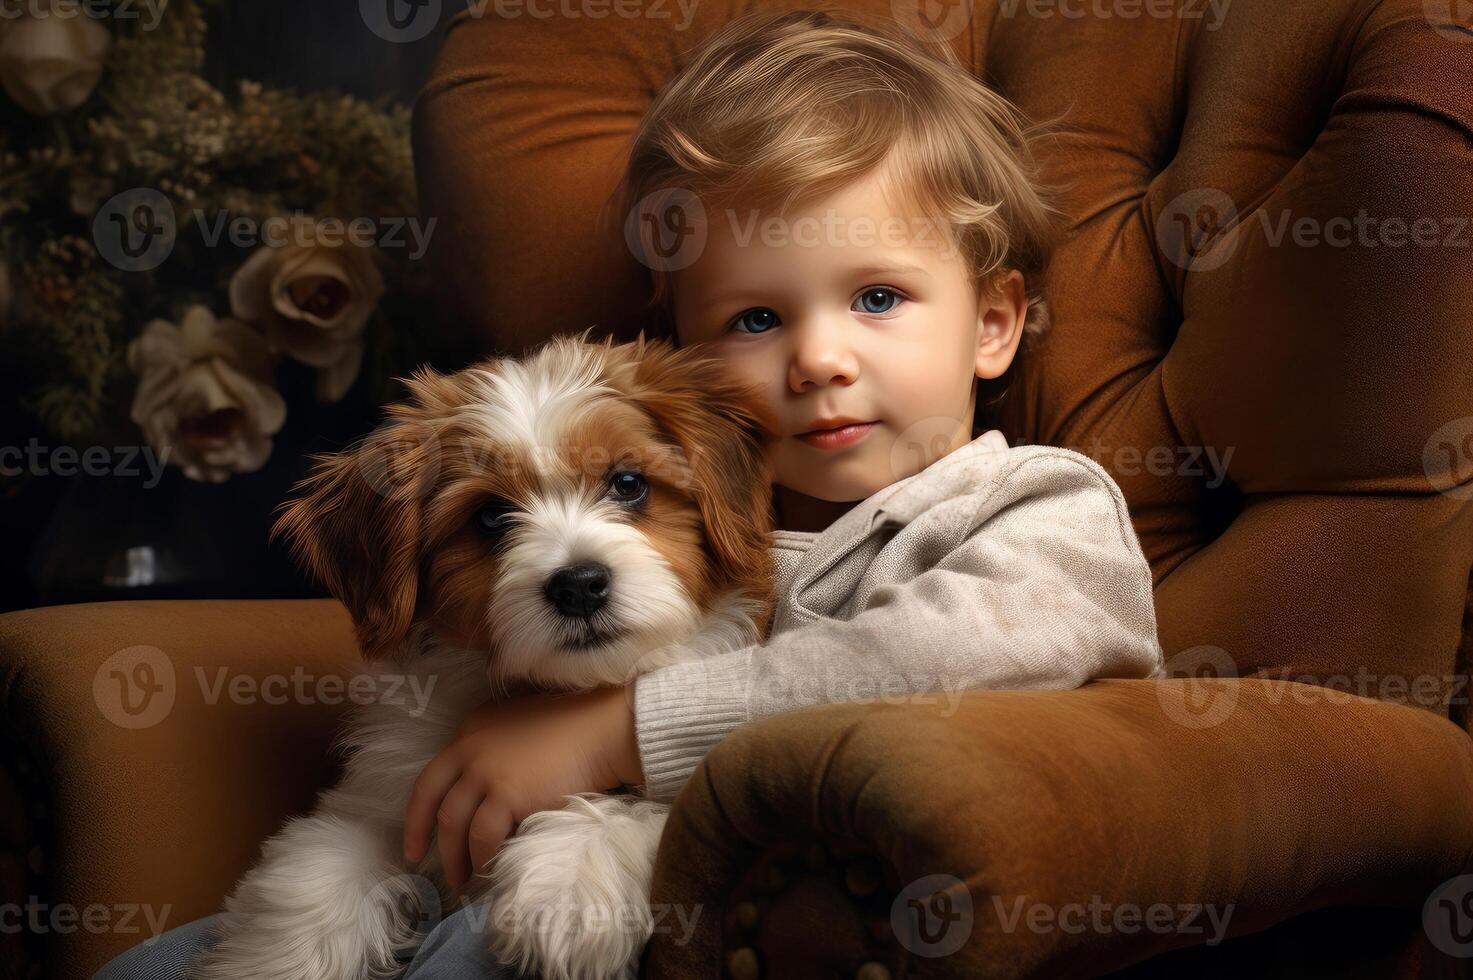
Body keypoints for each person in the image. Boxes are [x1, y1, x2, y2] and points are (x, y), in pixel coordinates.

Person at [95, 9, 1162, 978]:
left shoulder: (1039, 504)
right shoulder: (726, 532)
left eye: (878, 295)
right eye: (755, 319)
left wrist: (614, 733)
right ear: (689, 351)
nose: (818, 357)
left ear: (995, 321)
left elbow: (950, 651)